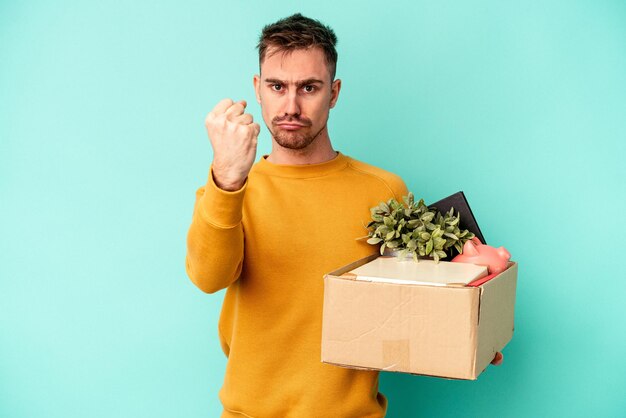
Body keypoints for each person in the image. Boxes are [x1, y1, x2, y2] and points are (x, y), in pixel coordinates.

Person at [186, 13, 501, 418]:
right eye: (277, 86)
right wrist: (228, 180)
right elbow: (207, 277)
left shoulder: (384, 191)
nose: (291, 105)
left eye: (309, 88)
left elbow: (422, 301)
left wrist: (472, 326)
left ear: (333, 93)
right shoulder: (227, 188)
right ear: (257, 89)